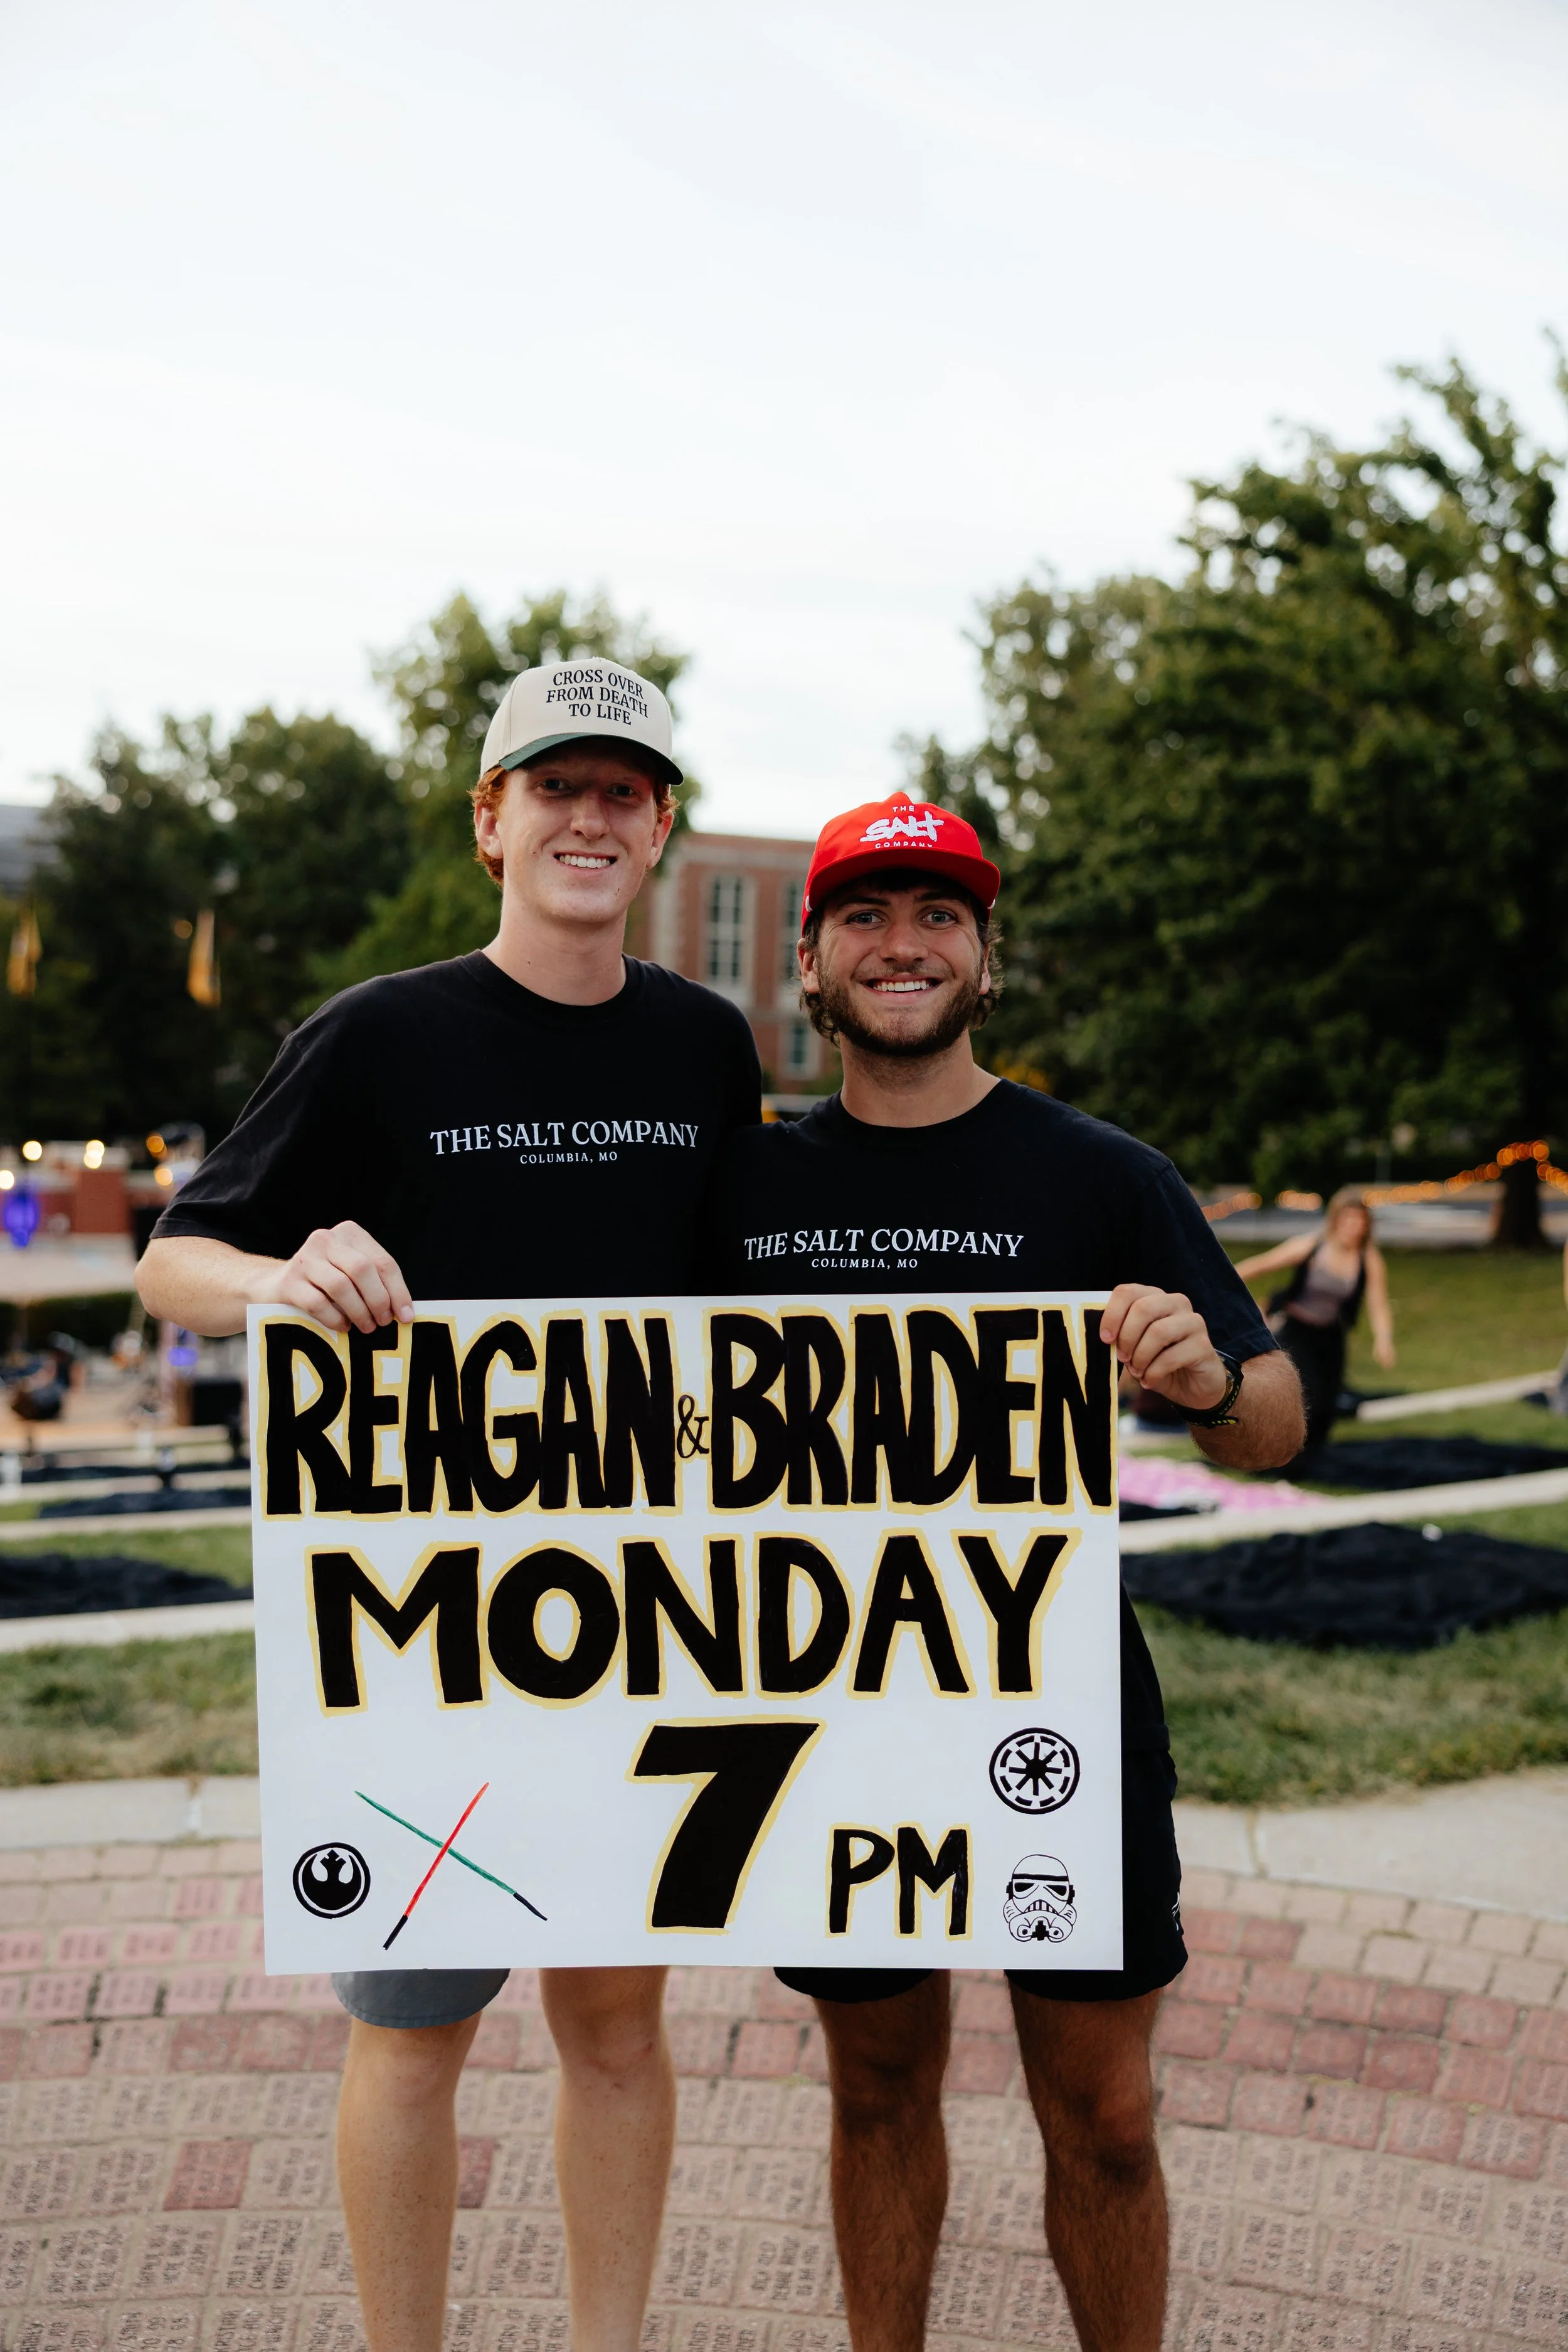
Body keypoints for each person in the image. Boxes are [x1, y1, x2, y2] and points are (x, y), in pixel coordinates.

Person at [137, 655, 760, 2352]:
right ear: (490, 819)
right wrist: (287, 1275)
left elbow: (744, 1317)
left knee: (618, 2021)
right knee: (414, 2029)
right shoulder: (377, 1030)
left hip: (639, 1612)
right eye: (554, 785)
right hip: (426, 1627)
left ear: (657, 830)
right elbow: (171, 1257)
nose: (588, 814)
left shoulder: (707, 1044)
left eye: (621, 790)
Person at [704, 789, 1305, 2352]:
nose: (904, 943)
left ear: (985, 954)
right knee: (879, 2083)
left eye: (940, 914)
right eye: (865, 915)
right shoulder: (743, 1188)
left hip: (1061, 1701)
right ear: (812, 965)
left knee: (1104, 2111)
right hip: (833, 1715)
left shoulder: (1099, 1172)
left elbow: (1278, 1420)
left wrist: (1206, 1378)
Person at [1235, 1185, 1394, 1454]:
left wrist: (1384, 1340)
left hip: (1331, 1336)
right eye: (1347, 1219)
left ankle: (1312, 1456)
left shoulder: (1368, 1260)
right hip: (1297, 1331)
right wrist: (1219, 1285)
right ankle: (1284, 1453)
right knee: (1305, 1397)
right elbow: (1260, 1265)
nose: (1353, 1226)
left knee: (1327, 1404)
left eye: (1359, 1221)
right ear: (1335, 1220)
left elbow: (1378, 1305)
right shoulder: (1311, 1247)